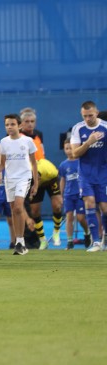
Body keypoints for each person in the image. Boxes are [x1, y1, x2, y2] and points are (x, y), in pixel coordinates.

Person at [0, 114, 39, 256]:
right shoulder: (4, 142)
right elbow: (2, 164)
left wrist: (35, 183)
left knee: (19, 206)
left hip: (24, 178)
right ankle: (20, 243)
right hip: (9, 180)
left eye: (12, 124)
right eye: (7, 125)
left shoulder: (28, 141)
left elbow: (34, 163)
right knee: (14, 210)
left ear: (19, 126)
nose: (9, 127)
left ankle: (20, 241)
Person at [19, 108, 63, 247]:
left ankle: (56, 233)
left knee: (57, 204)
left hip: (47, 173)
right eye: (26, 121)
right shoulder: (19, 138)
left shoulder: (38, 134)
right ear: (21, 123)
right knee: (35, 210)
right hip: (33, 177)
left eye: (32, 121)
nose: (30, 124)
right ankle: (43, 240)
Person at [69, 101, 107, 252]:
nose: (88, 119)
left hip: (103, 174)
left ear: (96, 113)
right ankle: (96, 241)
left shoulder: (105, 127)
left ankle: (105, 238)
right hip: (85, 175)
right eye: (85, 116)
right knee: (90, 203)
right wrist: (89, 142)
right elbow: (75, 153)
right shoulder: (78, 128)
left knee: (105, 208)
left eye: (90, 115)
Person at [59, 139, 91, 249]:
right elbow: (63, 180)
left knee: (81, 218)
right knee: (69, 217)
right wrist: (61, 194)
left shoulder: (81, 162)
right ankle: (69, 241)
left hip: (80, 194)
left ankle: (87, 233)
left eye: (70, 148)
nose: (69, 151)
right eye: (66, 148)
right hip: (68, 195)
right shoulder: (63, 165)